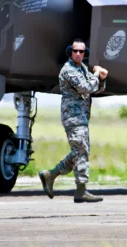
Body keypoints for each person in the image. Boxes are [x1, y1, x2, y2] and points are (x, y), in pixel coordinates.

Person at [38, 38, 108, 203]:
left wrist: (102, 79)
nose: (78, 54)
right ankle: (80, 189)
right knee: (81, 151)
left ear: (85, 53)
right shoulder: (69, 70)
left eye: (81, 51)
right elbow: (86, 87)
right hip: (73, 117)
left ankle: (51, 174)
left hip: (81, 116)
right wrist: (97, 74)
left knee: (80, 151)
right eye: (75, 51)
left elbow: (94, 88)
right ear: (70, 52)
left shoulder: (82, 68)